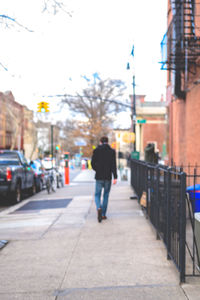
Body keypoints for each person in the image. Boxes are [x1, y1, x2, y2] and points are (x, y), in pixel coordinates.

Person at [91, 136, 117, 222]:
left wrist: (97, 169)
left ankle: (99, 207)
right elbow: (114, 165)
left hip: (99, 176)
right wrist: (115, 177)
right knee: (106, 195)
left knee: (97, 195)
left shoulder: (96, 151)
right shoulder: (112, 151)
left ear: (100, 142)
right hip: (108, 177)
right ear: (108, 141)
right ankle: (103, 214)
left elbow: (92, 163)